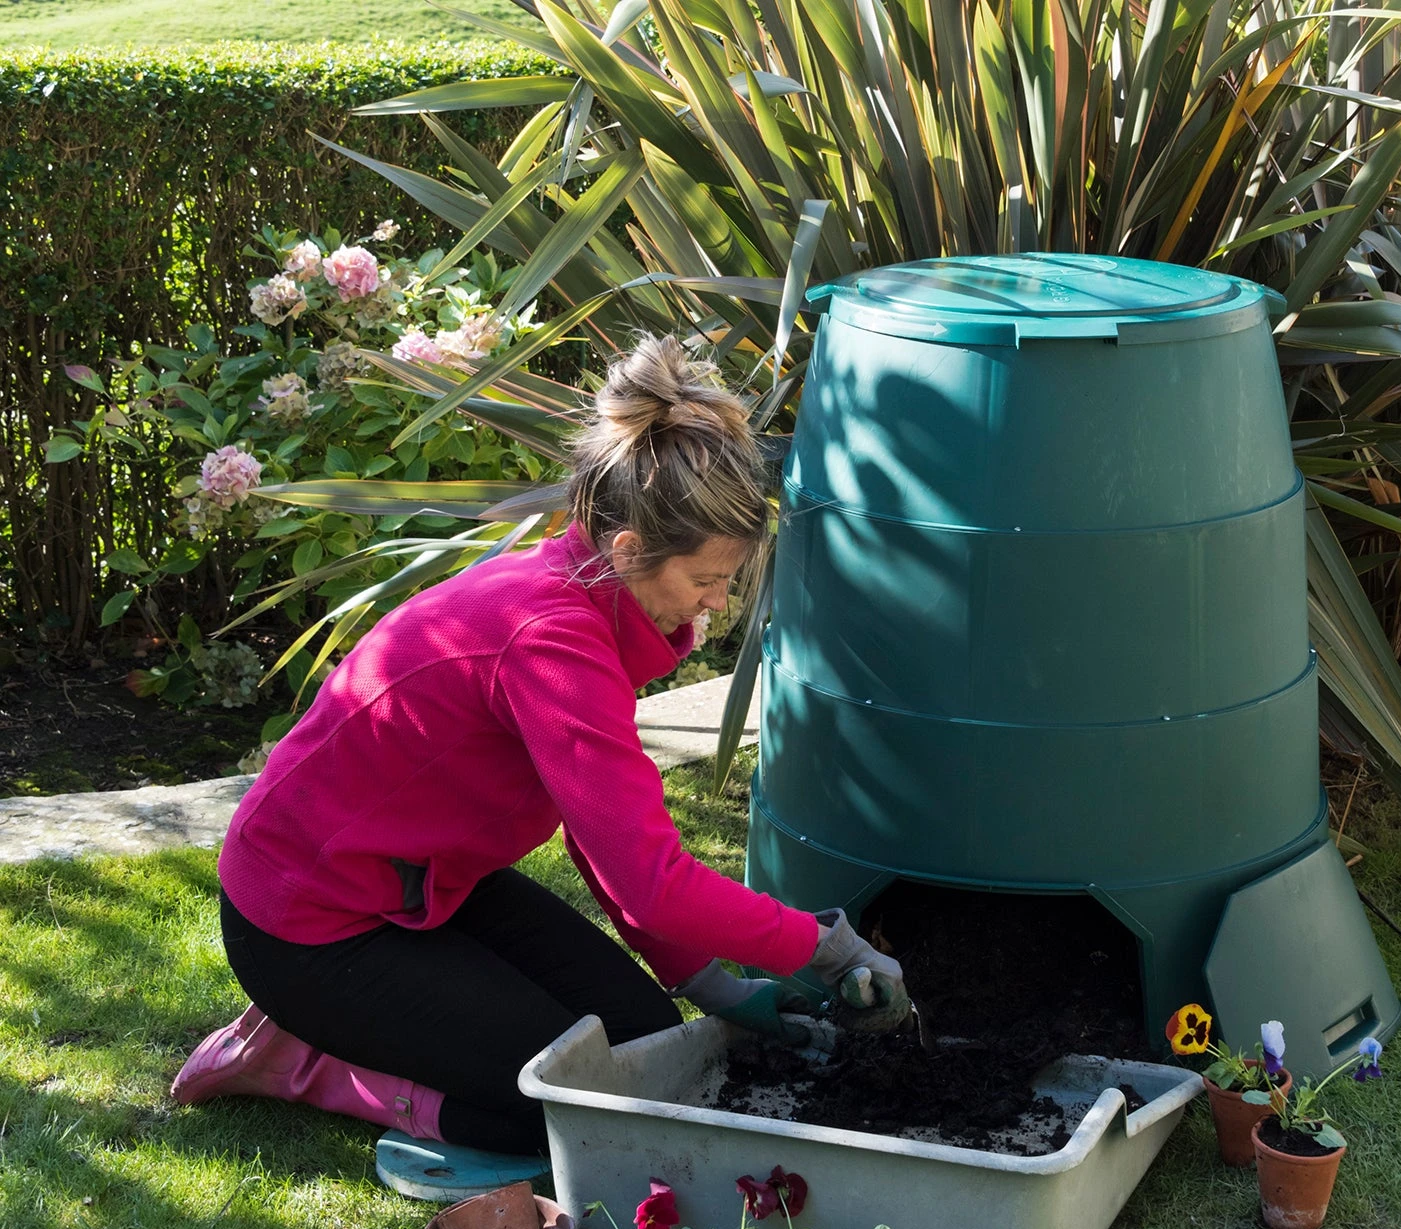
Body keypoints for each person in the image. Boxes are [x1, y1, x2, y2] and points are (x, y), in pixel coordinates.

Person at [171, 334, 908, 1154]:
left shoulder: (584, 602)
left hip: (425, 883)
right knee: (580, 1109)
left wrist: (711, 986)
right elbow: (654, 883)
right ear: (629, 552)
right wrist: (826, 948)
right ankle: (309, 1060)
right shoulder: (552, 644)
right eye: (705, 580)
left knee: (643, 1046)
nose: (715, 601)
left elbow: (614, 850)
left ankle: (369, 1033)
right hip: (307, 920)